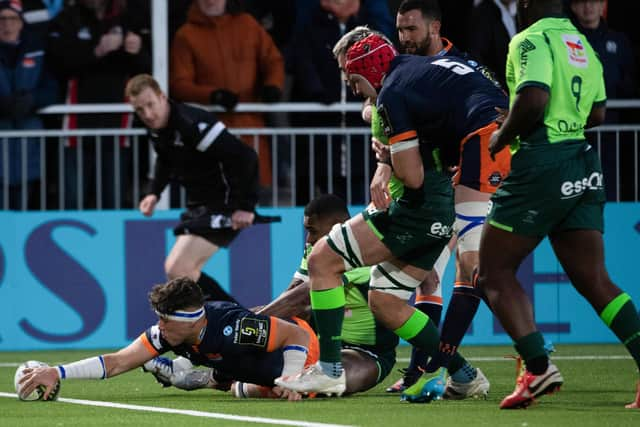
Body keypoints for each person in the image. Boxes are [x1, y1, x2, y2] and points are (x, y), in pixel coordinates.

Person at [275, 30, 505, 398]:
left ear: (368, 71)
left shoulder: (393, 94)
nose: (353, 90)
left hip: (416, 209)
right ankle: (463, 374)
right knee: (384, 300)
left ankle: (330, 369)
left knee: (322, 260)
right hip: (445, 202)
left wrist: (387, 157)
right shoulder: (418, 76)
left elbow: (411, 177)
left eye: (353, 80)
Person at [478, 0, 640, 409]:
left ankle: (537, 367)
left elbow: (533, 99)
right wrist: (566, 122)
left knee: (493, 273)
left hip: (542, 164)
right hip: (583, 161)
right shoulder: (583, 44)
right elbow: (599, 113)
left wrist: (501, 136)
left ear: (528, 4)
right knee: (595, 280)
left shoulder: (530, 39)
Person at [145, 194, 401, 397]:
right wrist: (251, 325)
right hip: (316, 341)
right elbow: (289, 296)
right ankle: (187, 365)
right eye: (306, 231)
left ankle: (209, 378)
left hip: (366, 353)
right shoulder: (317, 250)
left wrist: (241, 325)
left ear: (336, 228)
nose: (308, 240)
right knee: (263, 321)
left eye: (313, 231)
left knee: (318, 384)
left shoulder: (360, 254)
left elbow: (301, 298)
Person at [384, 0, 510, 394]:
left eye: (411, 30)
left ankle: (527, 349)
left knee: (465, 267)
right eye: (399, 30)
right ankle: (432, 368)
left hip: (469, 164)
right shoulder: (413, 72)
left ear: (435, 27)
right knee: (445, 273)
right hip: (449, 174)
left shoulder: (457, 66)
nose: (404, 39)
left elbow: (494, 104)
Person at [17, 277, 316, 401]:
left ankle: (194, 374)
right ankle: (189, 372)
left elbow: (298, 334)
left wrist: (293, 377)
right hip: (242, 363)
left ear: (191, 321)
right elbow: (118, 362)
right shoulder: (170, 332)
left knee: (251, 387)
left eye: (165, 319)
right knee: (214, 376)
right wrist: (57, 372)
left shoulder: (236, 326)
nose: (158, 326)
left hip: (306, 355)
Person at [126, 73, 259, 304]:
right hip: (201, 204)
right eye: (139, 110)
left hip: (226, 203)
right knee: (180, 271)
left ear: (162, 97)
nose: (147, 114)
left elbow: (246, 156)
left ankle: (238, 323)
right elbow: (166, 158)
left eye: (150, 105)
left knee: (178, 269)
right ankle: (232, 324)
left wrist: (246, 206)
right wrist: (153, 192)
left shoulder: (192, 124)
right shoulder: (158, 126)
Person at [170, 0, 284, 190]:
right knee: (213, 196)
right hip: (208, 132)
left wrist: (273, 85)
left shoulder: (248, 25)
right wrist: (212, 96)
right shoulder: (186, 35)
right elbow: (179, 84)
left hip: (250, 129)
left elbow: (273, 61)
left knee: (256, 196)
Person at [47, 0, 151, 209]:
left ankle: (112, 240)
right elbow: (56, 64)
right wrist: (97, 51)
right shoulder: (67, 18)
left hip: (117, 123)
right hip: (77, 123)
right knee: (73, 198)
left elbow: (150, 69)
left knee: (113, 197)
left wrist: (137, 50)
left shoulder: (128, 18)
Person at [0, 0, 57, 210]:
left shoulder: (37, 51)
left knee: (25, 201)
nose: (7, 25)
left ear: (21, 23)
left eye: (12, 19)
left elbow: (52, 90)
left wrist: (32, 100)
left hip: (27, 141)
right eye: (2, 19)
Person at [467, 0, 517, 89]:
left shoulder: (516, 11)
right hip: (497, 90)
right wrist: (496, 86)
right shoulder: (484, 13)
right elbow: (477, 57)